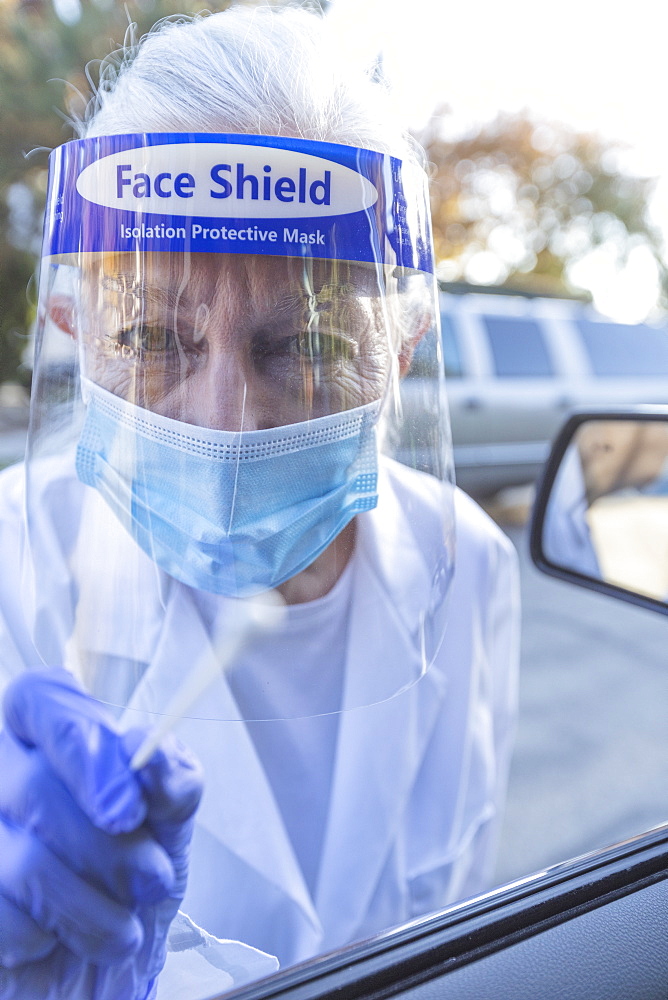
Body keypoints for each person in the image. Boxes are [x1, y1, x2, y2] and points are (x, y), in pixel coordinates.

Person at [0, 7, 520, 999]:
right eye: (154, 338)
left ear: (399, 353)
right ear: (72, 328)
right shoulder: (8, 564)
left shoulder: (470, 566)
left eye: (307, 345)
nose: (229, 425)